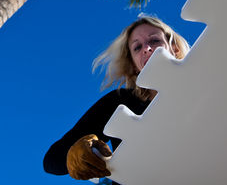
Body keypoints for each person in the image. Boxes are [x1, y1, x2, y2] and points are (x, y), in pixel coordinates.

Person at [43, 15, 190, 182]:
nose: (146, 49)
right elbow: (52, 160)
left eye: (155, 41)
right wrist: (76, 154)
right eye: (137, 47)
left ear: (175, 48)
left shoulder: (202, 87)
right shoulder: (120, 102)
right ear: (134, 65)